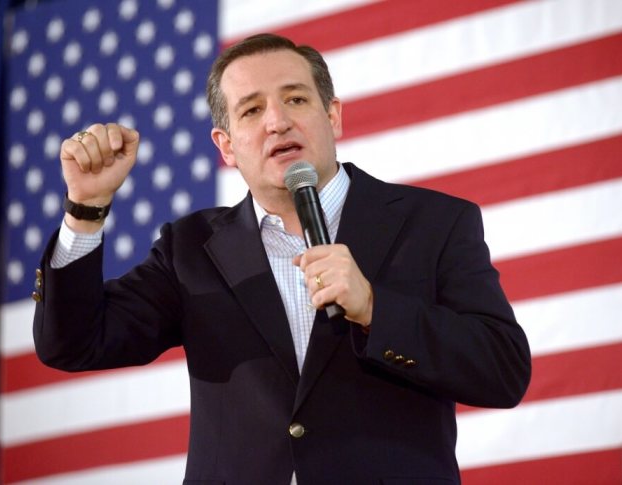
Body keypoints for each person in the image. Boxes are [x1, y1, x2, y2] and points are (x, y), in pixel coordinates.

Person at [33, 33, 531, 484]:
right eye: (251, 110)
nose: (277, 120)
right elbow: (73, 344)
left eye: (295, 98)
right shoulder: (190, 249)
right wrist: (85, 210)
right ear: (225, 146)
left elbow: (503, 370)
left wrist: (375, 308)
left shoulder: (434, 223)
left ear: (332, 115)